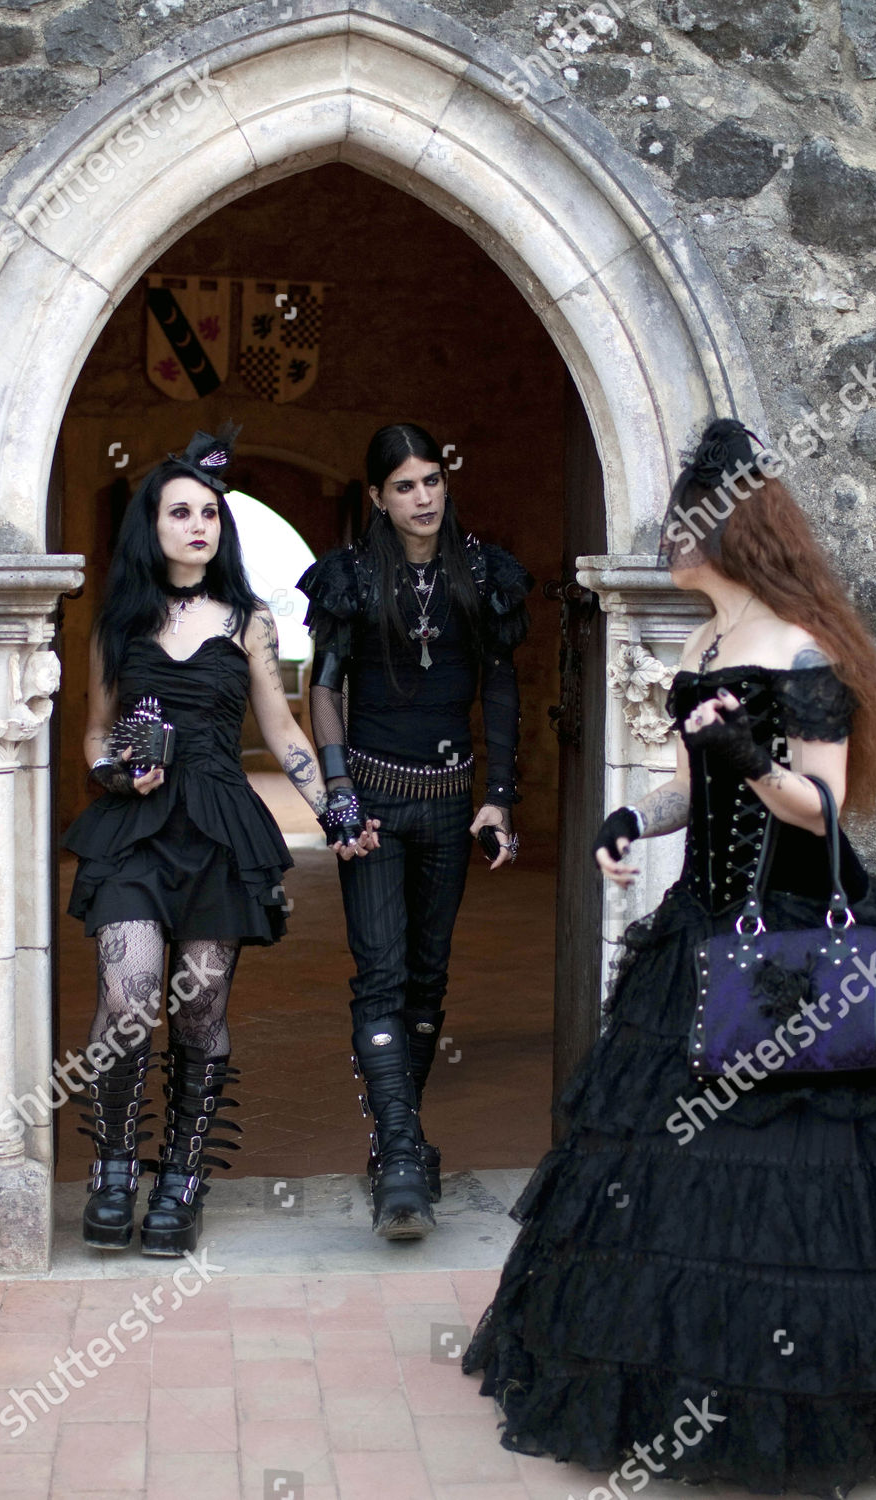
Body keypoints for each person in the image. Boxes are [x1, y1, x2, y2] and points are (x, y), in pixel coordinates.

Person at [462, 419, 876, 1494]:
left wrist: (748, 752)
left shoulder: (805, 654)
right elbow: (688, 786)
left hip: (801, 936)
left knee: (816, 1168)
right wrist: (633, 817)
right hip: (706, 930)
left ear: (731, 531)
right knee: (672, 1166)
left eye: (682, 525)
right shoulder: (698, 648)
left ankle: (817, 1387)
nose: (667, 540)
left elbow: (822, 809)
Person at [64, 427, 375, 1257]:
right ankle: (114, 1167)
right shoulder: (118, 621)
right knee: (130, 994)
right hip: (134, 829)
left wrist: (336, 808)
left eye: (210, 512)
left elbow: (283, 729)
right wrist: (113, 773)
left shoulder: (250, 621)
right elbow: (94, 732)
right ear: (152, 526)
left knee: (198, 1009)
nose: (199, 524)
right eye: (181, 512)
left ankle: (184, 1177)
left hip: (219, 829)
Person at [298, 422, 533, 1240]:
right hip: (370, 800)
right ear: (377, 498)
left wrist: (499, 796)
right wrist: (336, 793)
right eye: (404, 486)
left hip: (448, 800)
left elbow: (499, 687)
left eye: (431, 481)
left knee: (428, 984)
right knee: (382, 977)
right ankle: (400, 1151)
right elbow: (323, 686)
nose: (422, 498)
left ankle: (398, 1138)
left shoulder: (484, 574)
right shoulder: (352, 578)